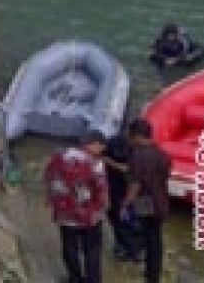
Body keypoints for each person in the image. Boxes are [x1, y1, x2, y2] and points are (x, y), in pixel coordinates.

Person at [45, 130, 108, 283]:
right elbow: (101, 189)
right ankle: (93, 280)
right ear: (93, 144)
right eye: (101, 147)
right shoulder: (95, 164)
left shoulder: (59, 156)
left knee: (69, 248)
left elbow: (49, 176)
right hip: (89, 214)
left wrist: (50, 198)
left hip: (66, 212)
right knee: (92, 250)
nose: (102, 151)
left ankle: (75, 278)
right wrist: (104, 207)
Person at [121, 118, 171, 283]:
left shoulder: (138, 155)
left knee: (141, 234)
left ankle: (140, 263)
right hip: (161, 200)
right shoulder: (162, 154)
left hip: (144, 201)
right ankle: (153, 275)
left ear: (136, 136)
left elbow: (135, 184)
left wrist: (126, 203)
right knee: (155, 239)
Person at [103, 132, 140, 263]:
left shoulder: (139, 152)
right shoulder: (113, 142)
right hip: (114, 188)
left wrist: (113, 164)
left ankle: (131, 250)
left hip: (127, 191)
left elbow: (129, 171)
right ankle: (123, 245)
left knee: (125, 220)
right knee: (116, 218)